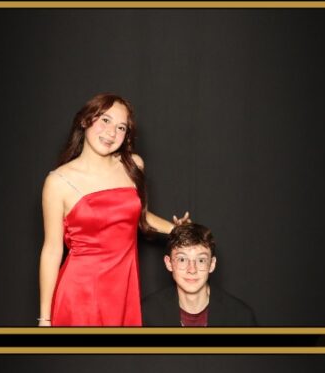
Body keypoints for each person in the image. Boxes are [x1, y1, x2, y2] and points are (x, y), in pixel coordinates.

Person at [39, 94, 190, 328]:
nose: (111, 133)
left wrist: (177, 230)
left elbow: (138, 216)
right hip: (81, 293)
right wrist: (45, 319)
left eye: (121, 127)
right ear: (85, 121)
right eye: (105, 120)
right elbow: (52, 251)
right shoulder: (58, 182)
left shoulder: (133, 165)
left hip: (123, 288)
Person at [142, 223, 256, 328]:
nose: (192, 269)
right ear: (169, 263)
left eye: (201, 260)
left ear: (212, 264)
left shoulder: (240, 317)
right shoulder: (146, 314)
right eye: (182, 259)